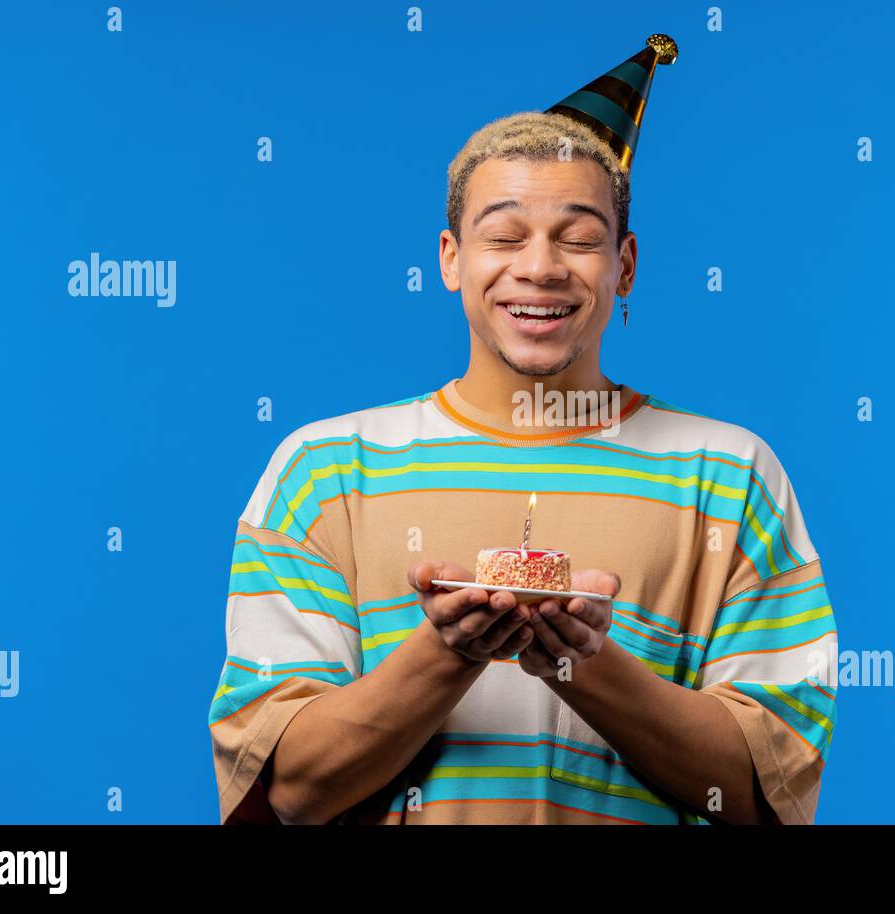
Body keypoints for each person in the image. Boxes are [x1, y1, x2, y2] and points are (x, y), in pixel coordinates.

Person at [208, 35, 838, 825]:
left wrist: (586, 665)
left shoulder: (729, 473)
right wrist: (448, 653)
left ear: (626, 265)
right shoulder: (325, 471)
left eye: (578, 238)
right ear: (450, 258)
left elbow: (766, 795)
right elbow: (287, 792)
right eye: (503, 236)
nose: (539, 267)